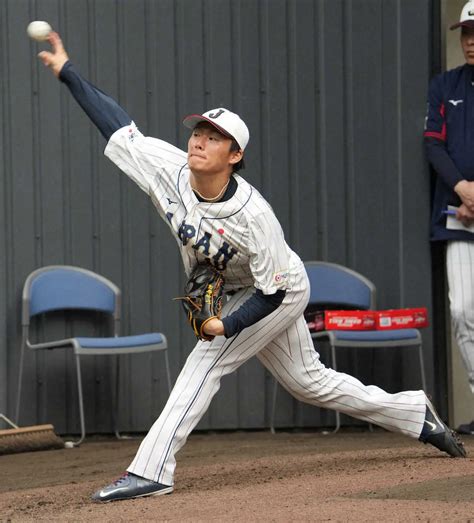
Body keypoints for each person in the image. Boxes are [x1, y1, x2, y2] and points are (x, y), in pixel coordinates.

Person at [38, 32, 465, 503]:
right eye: (198, 131)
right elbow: (117, 126)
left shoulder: (254, 216)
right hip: (240, 286)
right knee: (311, 383)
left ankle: (152, 469)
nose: (199, 140)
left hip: (276, 289)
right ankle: (413, 413)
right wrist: (67, 71)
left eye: (213, 137)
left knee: (204, 364)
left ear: (234, 155)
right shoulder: (168, 168)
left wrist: (227, 323)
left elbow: (274, 293)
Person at [424, 0, 474, 434]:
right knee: (462, 312)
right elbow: (434, 145)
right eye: (466, 33)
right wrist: (463, 189)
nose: (471, 41)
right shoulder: (445, 85)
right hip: (458, 214)